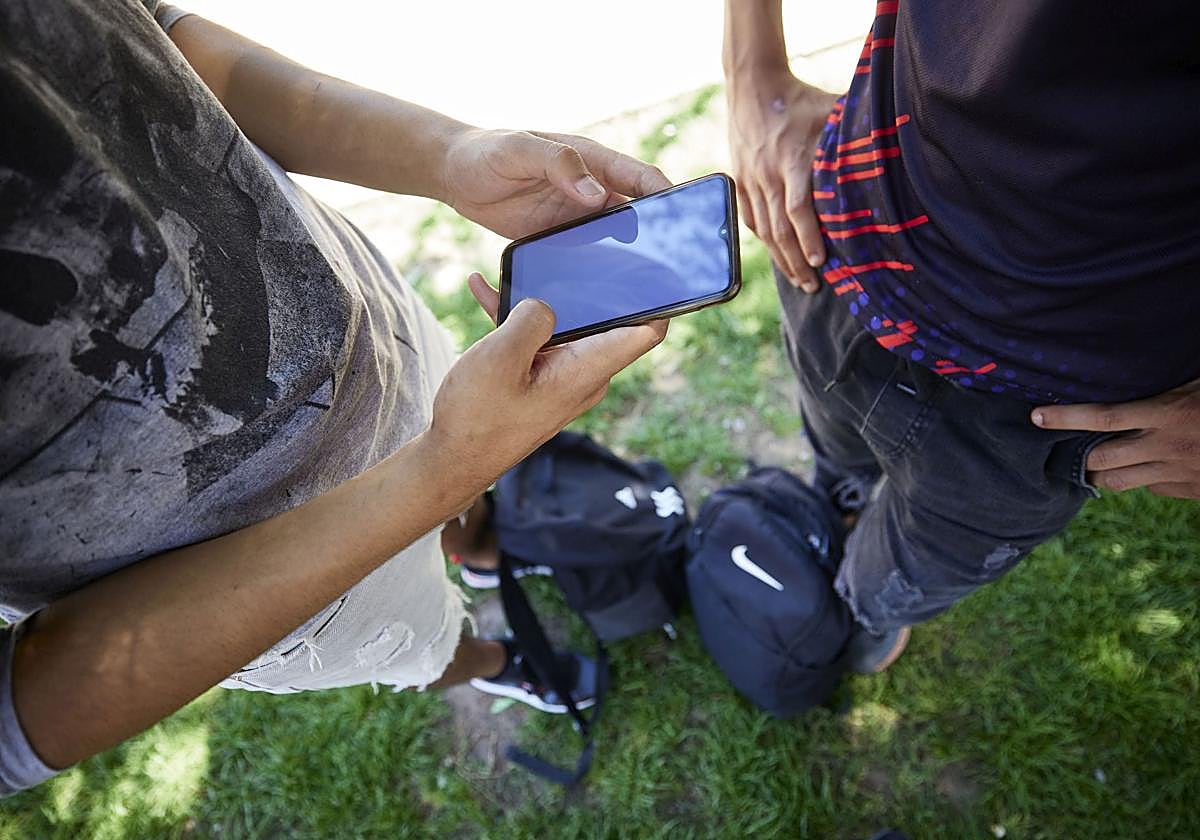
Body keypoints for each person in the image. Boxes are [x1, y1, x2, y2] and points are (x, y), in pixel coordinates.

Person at [0, 0, 672, 794]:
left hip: (371, 324)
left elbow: (156, 39)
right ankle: (496, 661)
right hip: (280, 578)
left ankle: (483, 546)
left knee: (471, 499)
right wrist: (441, 470)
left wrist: (450, 155)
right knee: (428, 631)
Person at [722, 0, 1200, 671]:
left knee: (897, 579)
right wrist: (750, 73)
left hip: (1043, 408)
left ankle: (858, 610)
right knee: (836, 460)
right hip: (841, 231)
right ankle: (842, 511)